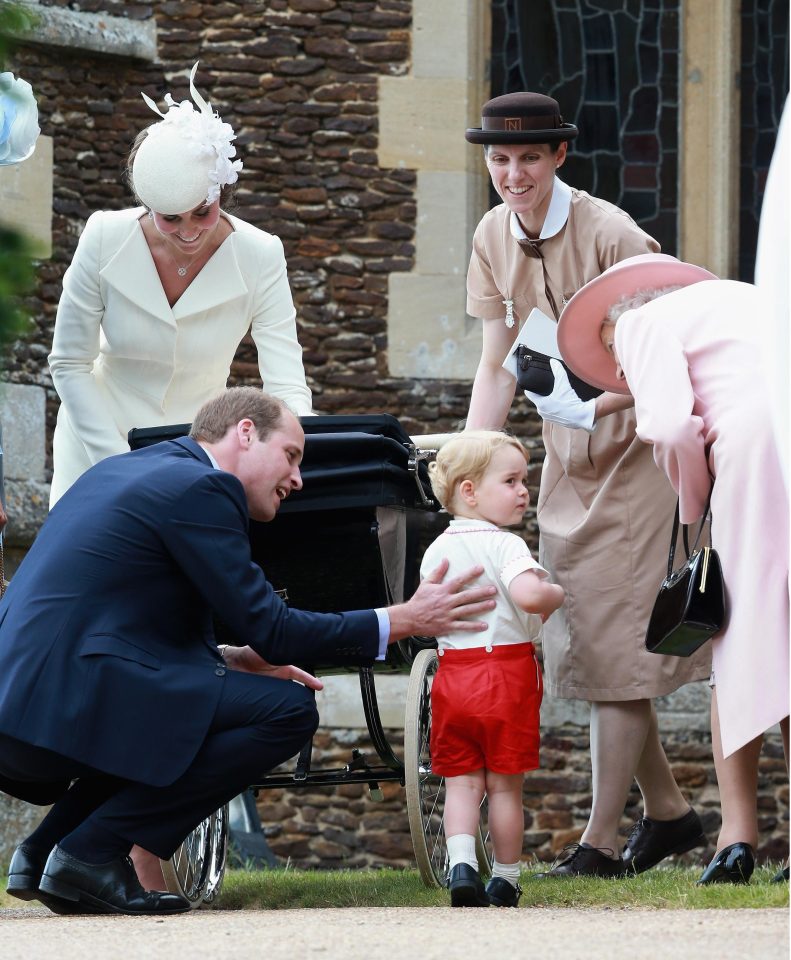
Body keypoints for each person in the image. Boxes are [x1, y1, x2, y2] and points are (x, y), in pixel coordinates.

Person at [0, 387, 498, 916]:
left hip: (25, 703)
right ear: (243, 432)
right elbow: (275, 630)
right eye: (291, 455)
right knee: (286, 711)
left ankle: (45, 851)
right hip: (67, 701)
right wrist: (404, 619)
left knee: (183, 705)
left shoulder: (125, 471)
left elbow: (122, 613)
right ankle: (91, 851)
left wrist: (230, 659)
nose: (299, 479)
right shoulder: (205, 487)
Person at [463, 92, 710, 877]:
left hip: (637, 459)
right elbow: (497, 358)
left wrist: (594, 402)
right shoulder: (490, 233)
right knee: (592, 646)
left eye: (529, 158)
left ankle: (599, 845)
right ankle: (668, 816)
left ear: (559, 157)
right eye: (500, 160)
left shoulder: (611, 232)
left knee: (615, 646)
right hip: (567, 461)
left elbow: (676, 355)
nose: (513, 174)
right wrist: (476, 453)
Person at [558, 253, 790, 883]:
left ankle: (737, 840)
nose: (619, 368)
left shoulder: (639, 325)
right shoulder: (743, 299)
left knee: (738, 642)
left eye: (613, 356)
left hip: (753, 456)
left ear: (616, 325)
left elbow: (669, 428)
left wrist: (695, 504)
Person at [47, 63, 312, 506]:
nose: (188, 231)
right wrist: (117, 464)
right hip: (96, 444)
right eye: (169, 218)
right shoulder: (103, 237)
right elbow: (69, 363)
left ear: (221, 194)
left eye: (201, 213)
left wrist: (298, 455)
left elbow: (285, 383)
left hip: (196, 453)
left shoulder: (261, 255)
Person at [421, 431, 565, 906]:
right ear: (469, 491)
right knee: (504, 787)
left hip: (452, 676)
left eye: (524, 480)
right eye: (511, 481)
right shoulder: (506, 546)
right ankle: (504, 877)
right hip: (505, 676)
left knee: (462, 782)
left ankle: (461, 866)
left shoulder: (435, 549)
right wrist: (555, 593)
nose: (524, 490)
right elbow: (527, 596)